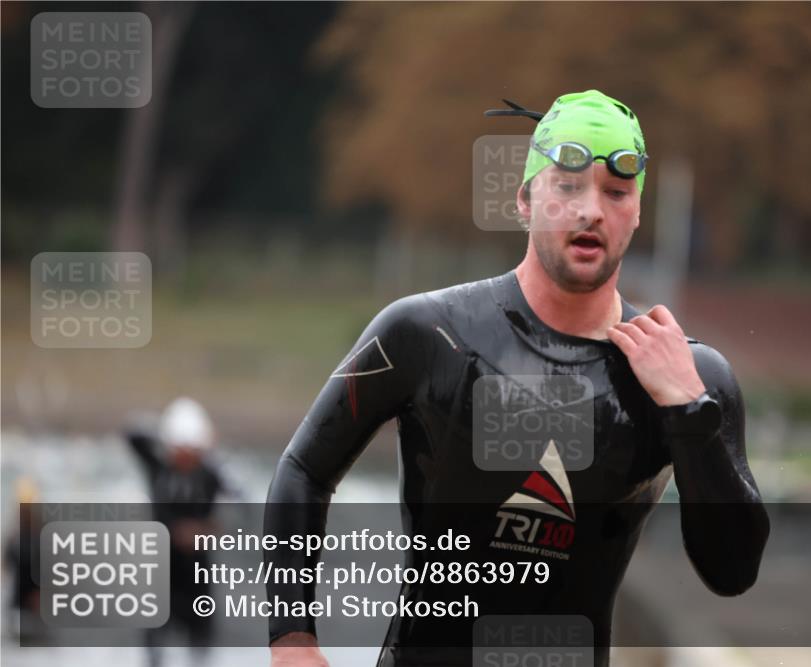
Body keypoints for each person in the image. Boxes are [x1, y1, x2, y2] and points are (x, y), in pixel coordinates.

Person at [265, 89, 770, 667]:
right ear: (525, 200)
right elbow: (304, 470)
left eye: (616, 192)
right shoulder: (430, 333)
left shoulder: (690, 375)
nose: (590, 211)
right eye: (568, 187)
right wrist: (292, 641)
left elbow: (732, 573)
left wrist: (689, 413)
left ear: (636, 214)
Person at [125, 397, 234, 667]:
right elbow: (131, 433)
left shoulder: (211, 473)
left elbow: (243, 507)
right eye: (179, 450)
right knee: (154, 644)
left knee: (201, 645)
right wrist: (165, 432)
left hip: (197, 572)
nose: (185, 458)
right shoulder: (158, 468)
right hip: (163, 569)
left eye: (192, 451)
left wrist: (207, 530)